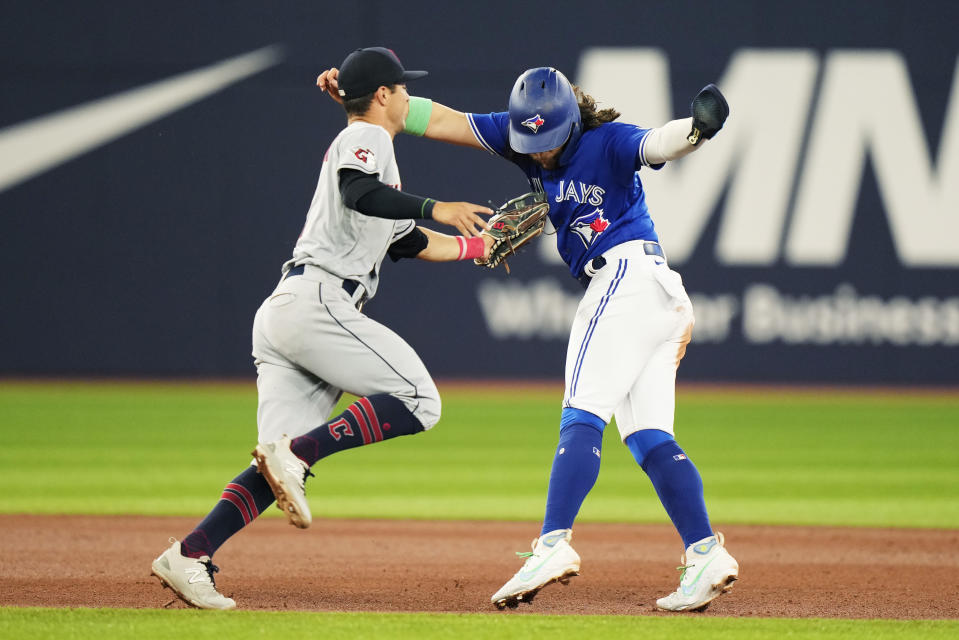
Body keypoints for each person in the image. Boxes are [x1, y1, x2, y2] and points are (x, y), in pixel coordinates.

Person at [317, 65, 739, 612]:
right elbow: (439, 119)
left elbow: (658, 142)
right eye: (529, 141)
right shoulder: (521, 135)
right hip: (655, 294)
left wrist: (697, 129)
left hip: (627, 280)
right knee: (649, 437)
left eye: (548, 140)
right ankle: (706, 553)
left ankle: (552, 545)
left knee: (581, 414)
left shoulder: (606, 140)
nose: (538, 152)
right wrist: (355, 99)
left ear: (570, 122)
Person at [150, 46, 494, 610]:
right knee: (419, 400)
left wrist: (475, 246)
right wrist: (437, 205)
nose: (407, 97)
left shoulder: (373, 149)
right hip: (320, 301)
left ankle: (189, 555)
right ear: (382, 96)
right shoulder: (370, 138)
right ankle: (303, 452)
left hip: (289, 311)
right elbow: (358, 190)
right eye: (402, 88)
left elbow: (404, 239)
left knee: (275, 466)